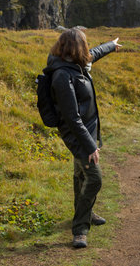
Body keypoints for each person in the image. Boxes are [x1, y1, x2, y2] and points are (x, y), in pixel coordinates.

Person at [43, 28, 121, 248]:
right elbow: (71, 117)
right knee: (94, 178)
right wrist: (89, 146)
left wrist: (111, 45)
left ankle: (86, 212)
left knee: (80, 175)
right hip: (77, 134)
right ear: (77, 47)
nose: (88, 48)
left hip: (86, 130)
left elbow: (94, 54)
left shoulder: (78, 64)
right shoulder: (62, 75)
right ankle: (80, 229)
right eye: (84, 44)